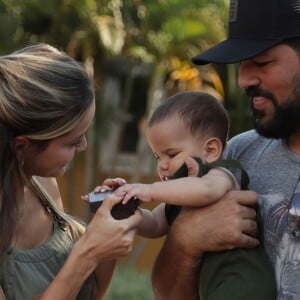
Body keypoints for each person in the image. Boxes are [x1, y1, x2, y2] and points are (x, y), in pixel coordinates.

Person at [151, 0, 300, 299]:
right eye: (242, 65)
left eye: (262, 62)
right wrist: (185, 240)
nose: (243, 79)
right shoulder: (235, 156)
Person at [89, 91, 276, 299]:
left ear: (211, 150)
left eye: (172, 154)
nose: (163, 165)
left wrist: (149, 190)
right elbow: (154, 225)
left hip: (244, 283)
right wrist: (122, 206)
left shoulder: (219, 176)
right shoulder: (177, 201)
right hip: (215, 288)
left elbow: (205, 192)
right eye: (157, 157)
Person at [0, 43, 141, 300]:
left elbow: (89, 293)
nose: (84, 145)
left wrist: (104, 233)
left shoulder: (43, 183)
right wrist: (87, 253)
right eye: (73, 141)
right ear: (22, 146)